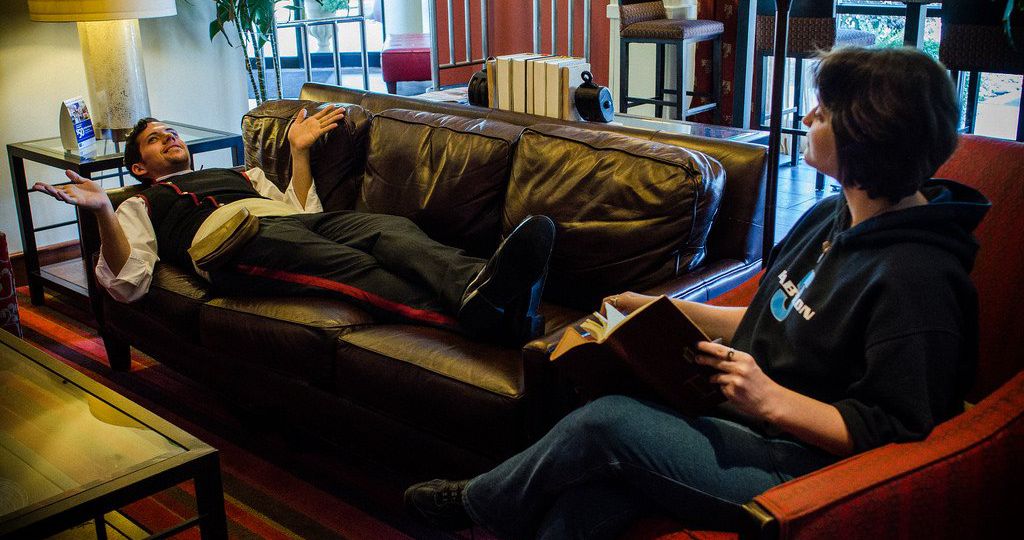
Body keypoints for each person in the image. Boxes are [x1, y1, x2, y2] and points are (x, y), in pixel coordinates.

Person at [404, 46, 990, 537]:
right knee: (584, 502)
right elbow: (771, 317)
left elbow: (897, 436)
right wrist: (662, 309)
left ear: (867, 138)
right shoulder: (829, 215)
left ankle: (474, 504)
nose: (810, 115)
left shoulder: (919, 281)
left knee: (606, 423)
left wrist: (770, 399)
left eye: (827, 110)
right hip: (749, 425)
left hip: (807, 471)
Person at [33, 106, 555, 345]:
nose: (169, 138)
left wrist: (297, 151)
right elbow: (128, 284)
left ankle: (483, 288)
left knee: (387, 229)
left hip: (288, 224)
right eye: (154, 140)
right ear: (140, 167)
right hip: (231, 242)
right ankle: (497, 320)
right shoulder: (140, 202)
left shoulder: (240, 170)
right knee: (356, 268)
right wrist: (102, 208)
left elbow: (302, 212)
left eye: (171, 131)